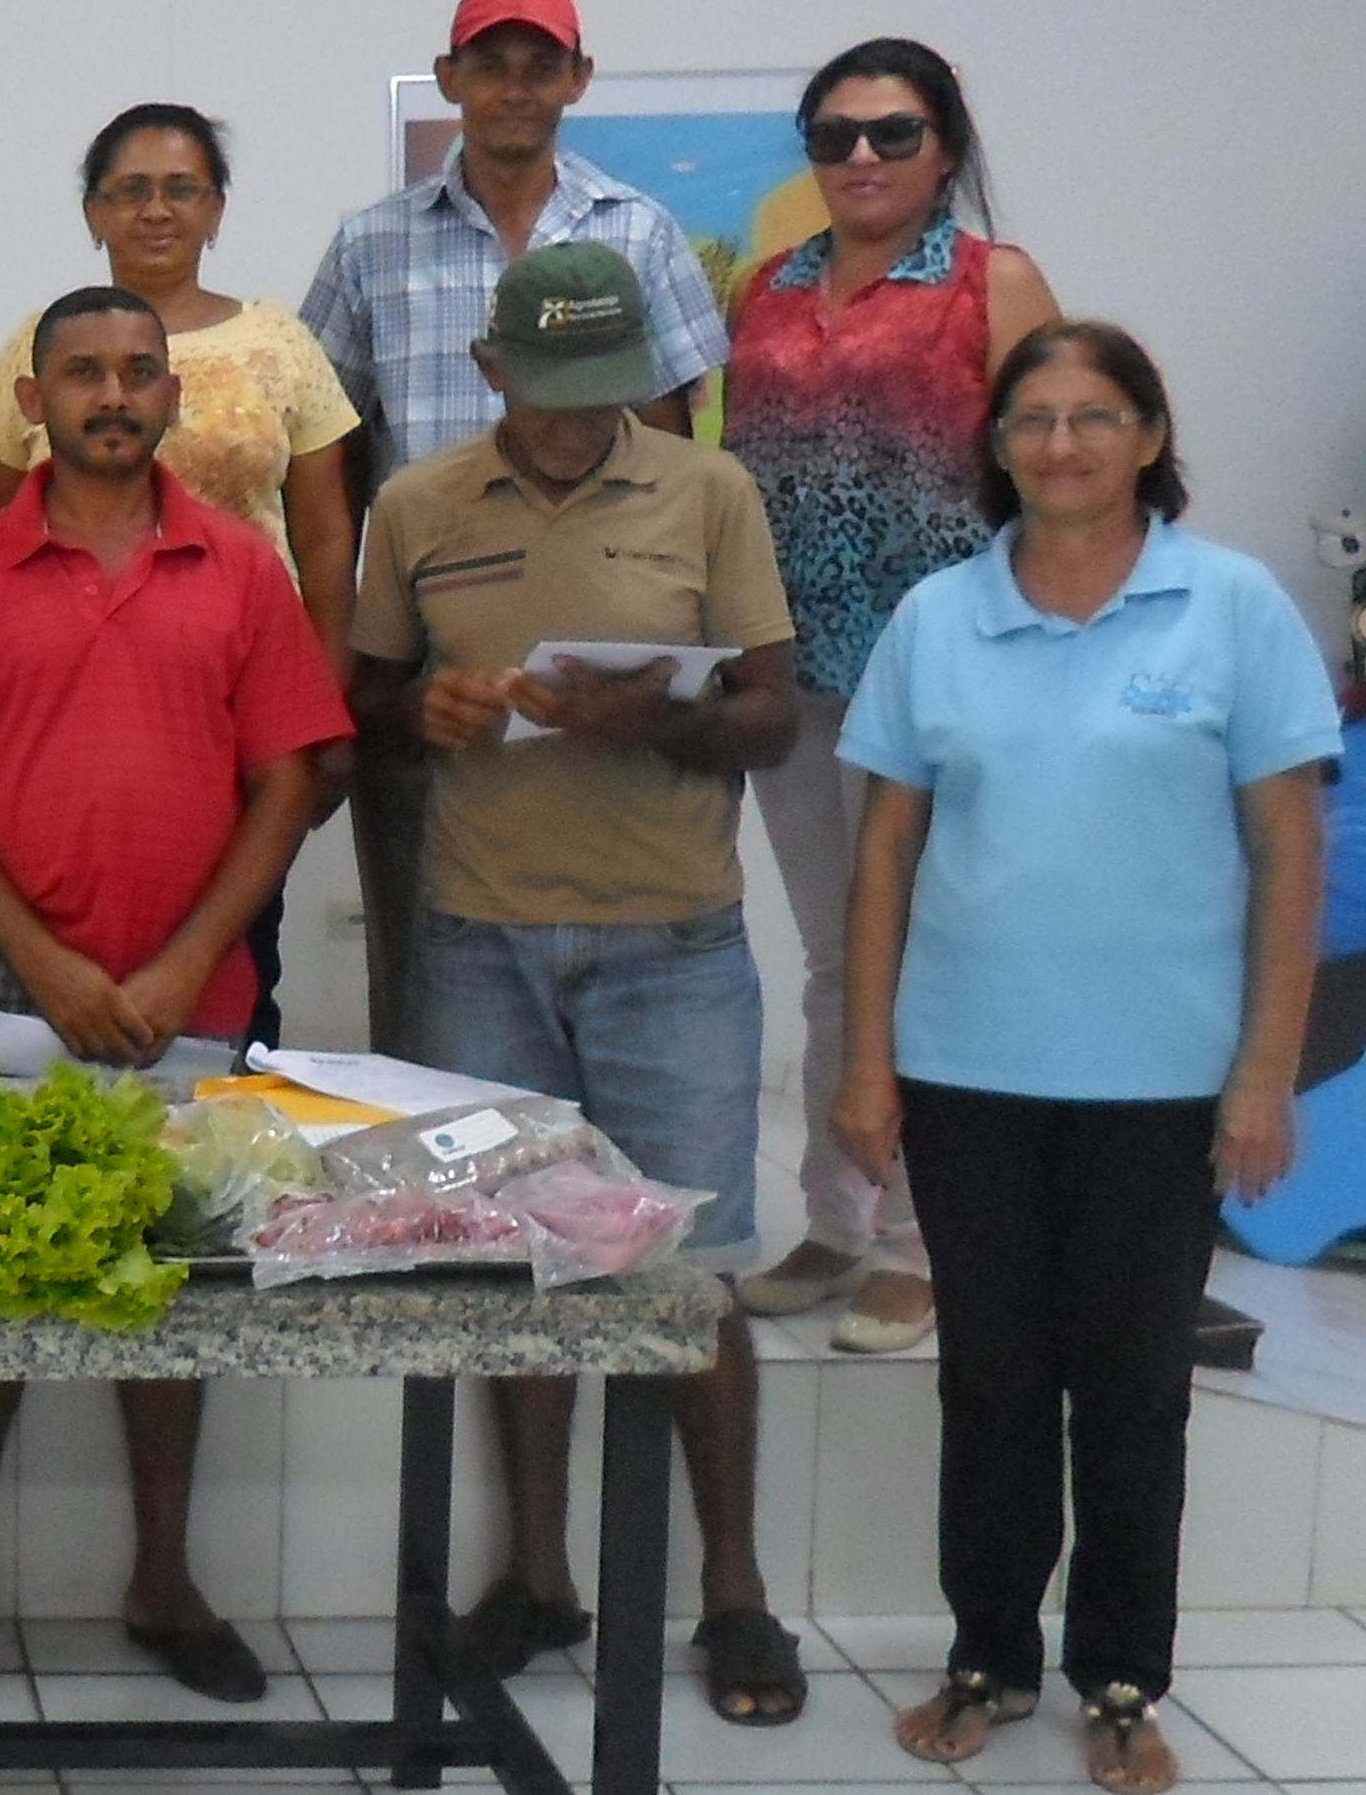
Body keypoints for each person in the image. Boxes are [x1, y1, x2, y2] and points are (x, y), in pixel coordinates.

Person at [843, 322, 1334, 1795]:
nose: (1063, 445)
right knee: (991, 1380)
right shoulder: (939, 614)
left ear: (1148, 434)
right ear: (995, 446)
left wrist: (1264, 1072)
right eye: (1035, 419)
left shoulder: (1232, 606)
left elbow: (1291, 850)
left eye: (1095, 416)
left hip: (1164, 1084)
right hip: (966, 1071)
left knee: (1132, 1387)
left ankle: (1121, 1674)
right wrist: (865, 1062)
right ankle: (986, 1653)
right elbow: (884, 855)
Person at [0, 286, 346, 1705]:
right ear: (35, 405)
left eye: (140, 372)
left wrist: (194, 953)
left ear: (174, 400)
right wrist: (49, 962)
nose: (114, 395)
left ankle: (165, 1576)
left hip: (200, 974)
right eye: (83, 373)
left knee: (176, 1288)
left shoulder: (245, 575)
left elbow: (290, 779)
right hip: (16, 982)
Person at [343, 244, 807, 1726]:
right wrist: (425, 708)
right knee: (515, 1272)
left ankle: (732, 1589)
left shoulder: (709, 492)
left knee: (692, 1278)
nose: (571, 422)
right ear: (490, 373)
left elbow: (773, 715)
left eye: (604, 393)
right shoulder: (417, 507)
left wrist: (644, 716)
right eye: (546, 393)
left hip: (674, 946)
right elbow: (363, 702)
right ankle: (539, 1574)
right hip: (480, 938)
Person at [299, 0, 728, 1065]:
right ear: (451, 79)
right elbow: (328, 455)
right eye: (490, 65)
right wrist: (356, 661)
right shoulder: (369, 244)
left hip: (603, 650)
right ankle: (445, 1221)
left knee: (628, 965)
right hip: (432, 653)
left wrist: (658, 643)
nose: (515, 88)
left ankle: (615, 1216)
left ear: (579, 79)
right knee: (424, 967)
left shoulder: (641, 231)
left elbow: (678, 444)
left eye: (542, 66)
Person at [723, 37, 1063, 1356]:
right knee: (830, 959)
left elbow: (1057, 462)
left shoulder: (996, 281)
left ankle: (925, 1242)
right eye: (834, 137)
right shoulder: (770, 286)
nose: (860, 158)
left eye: (892, 133)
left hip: (940, 678)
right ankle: (834, 1220)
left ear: (948, 150)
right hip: (795, 674)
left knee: (921, 959)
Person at [0, 106, 357, 659]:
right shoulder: (40, 343)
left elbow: (324, 540)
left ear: (216, 210)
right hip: (67, 653)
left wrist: (326, 691)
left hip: (253, 655)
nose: (156, 210)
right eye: (131, 191)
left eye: (181, 189)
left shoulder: (279, 341)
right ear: (93, 215)